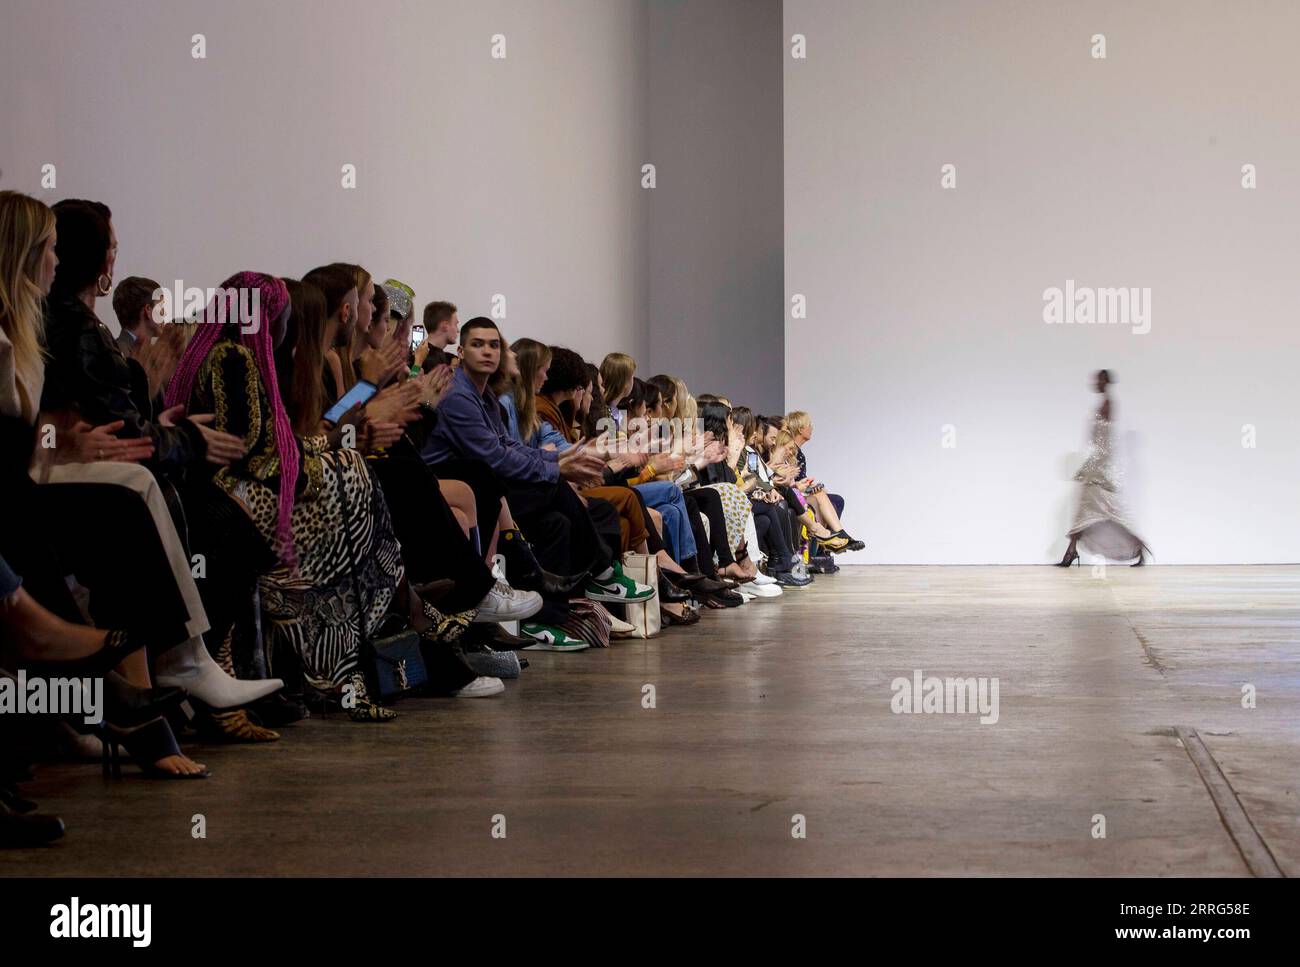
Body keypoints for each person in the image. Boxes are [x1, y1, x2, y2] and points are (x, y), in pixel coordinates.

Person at [1058, 369, 1149, 567]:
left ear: (1105, 382)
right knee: (1085, 509)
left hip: (1098, 464)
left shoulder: (1108, 403)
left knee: (1106, 511)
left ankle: (1139, 547)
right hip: (1096, 462)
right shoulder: (1104, 403)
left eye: (1098, 380)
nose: (1095, 383)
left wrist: (1095, 466)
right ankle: (1070, 552)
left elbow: (1105, 441)